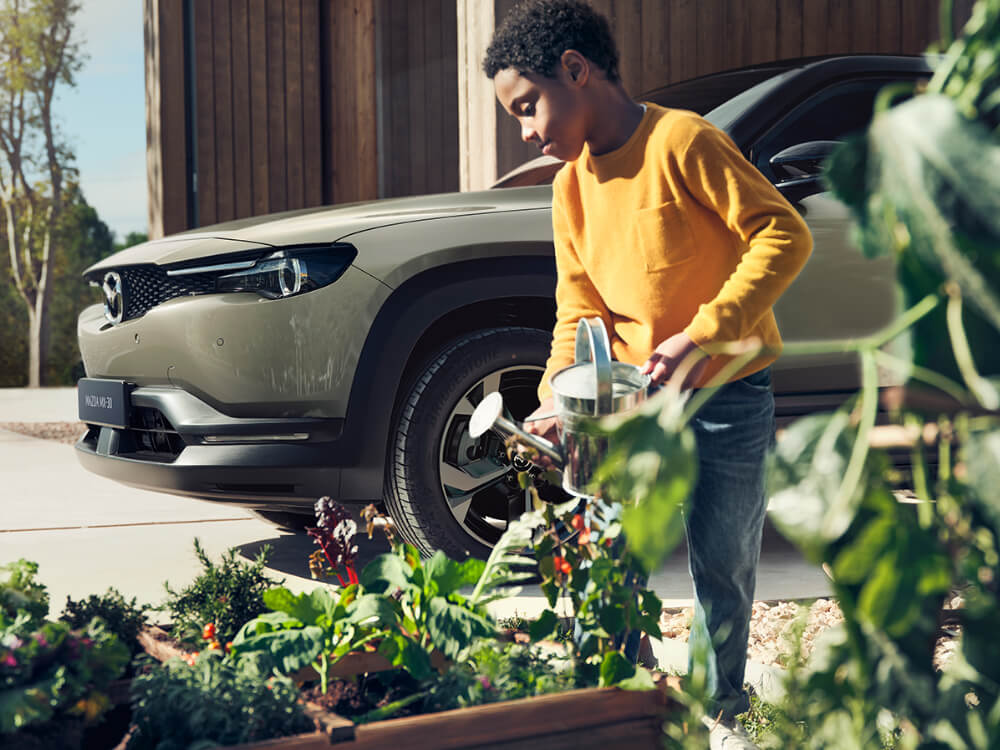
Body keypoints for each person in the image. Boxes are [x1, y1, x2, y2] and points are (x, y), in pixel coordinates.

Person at [483, 0, 813, 739]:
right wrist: (552, 398)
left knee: (722, 562)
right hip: (628, 407)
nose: (528, 130)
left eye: (528, 106)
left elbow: (782, 234)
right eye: (516, 117)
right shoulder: (569, 189)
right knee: (610, 554)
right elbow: (578, 307)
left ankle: (715, 708)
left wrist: (704, 333)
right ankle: (623, 703)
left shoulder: (682, 141)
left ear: (577, 69)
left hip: (728, 395)